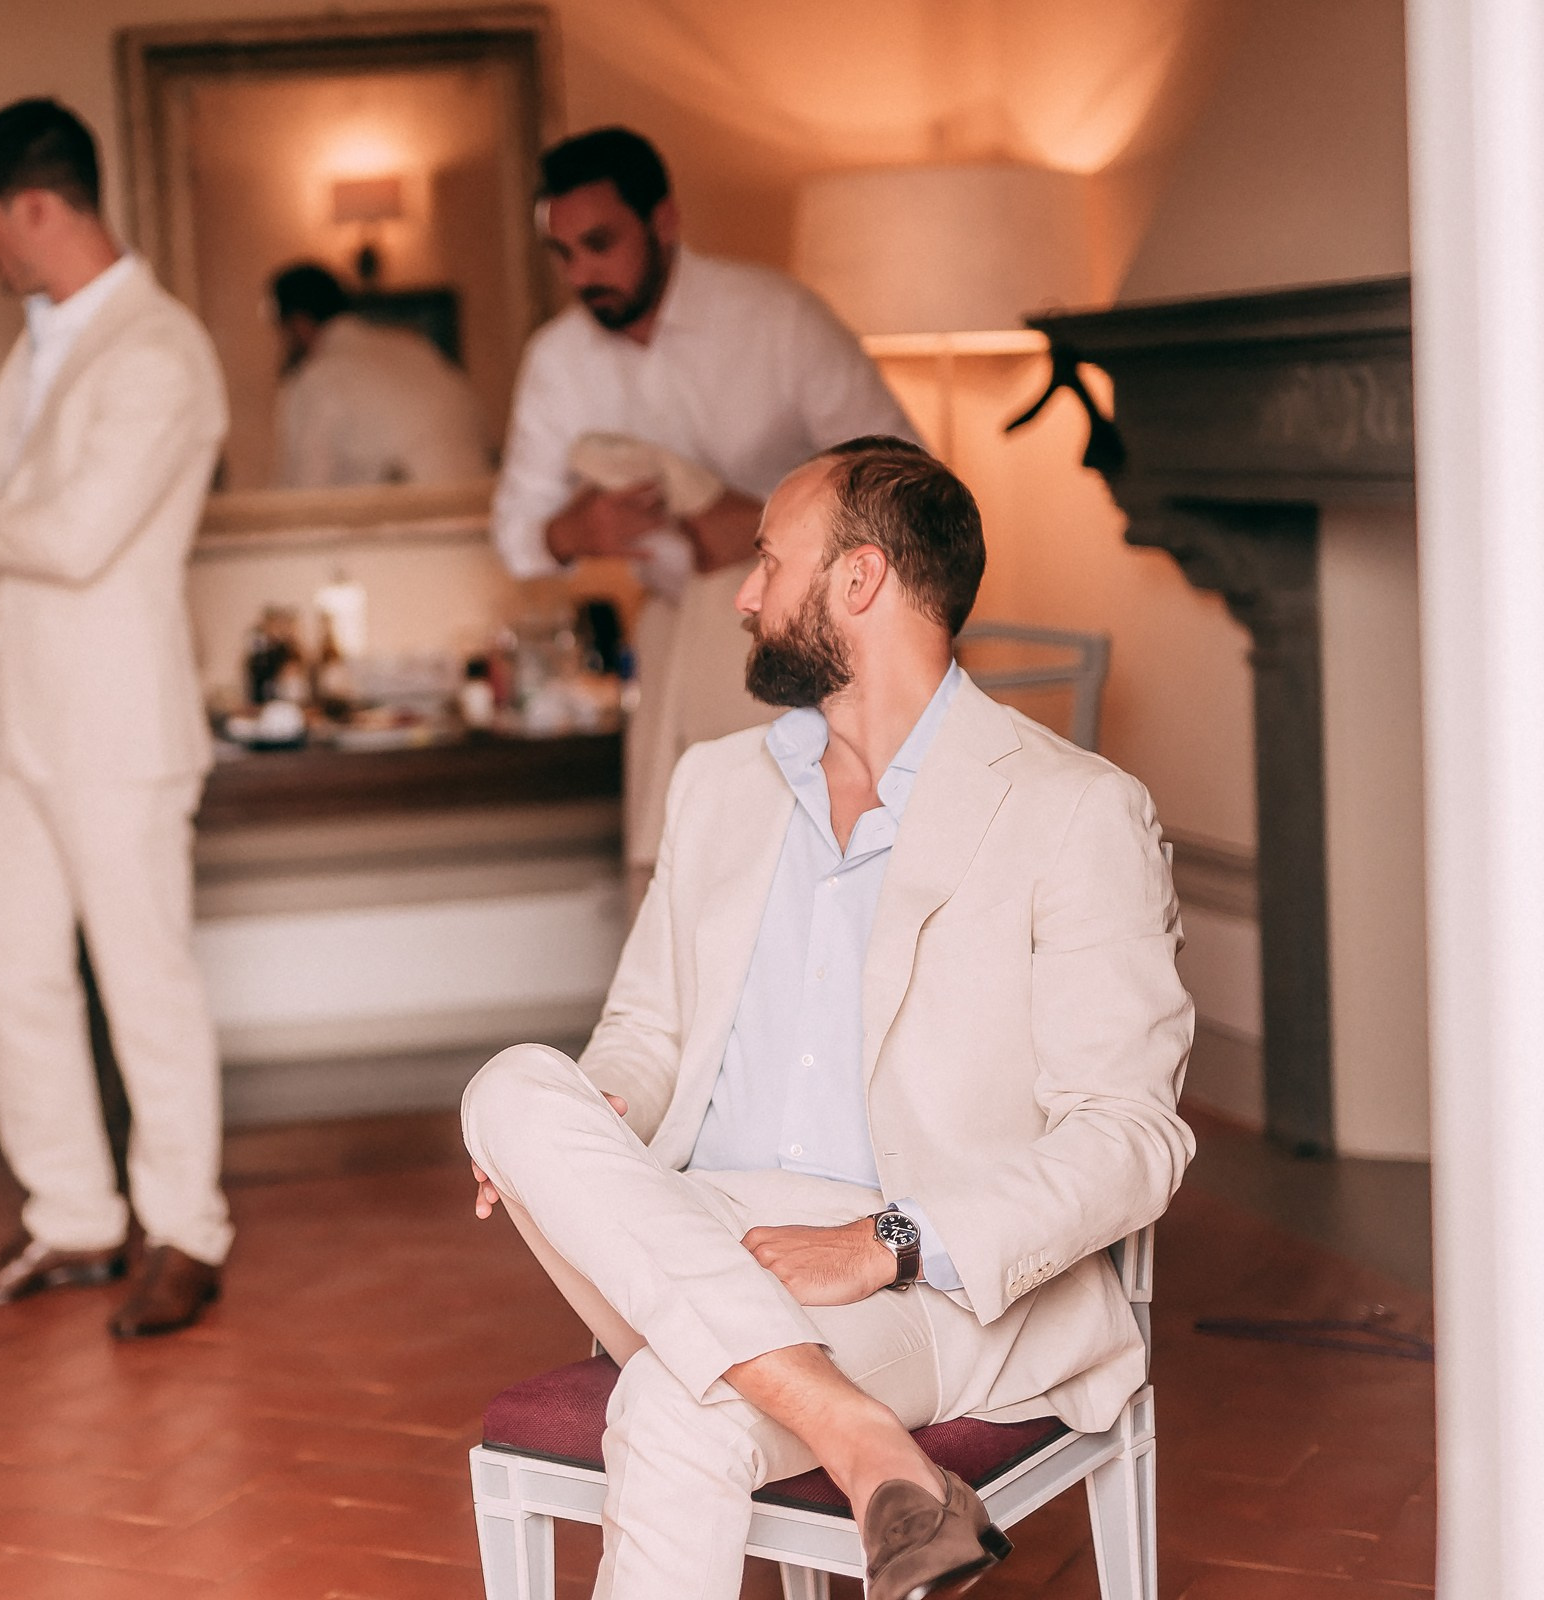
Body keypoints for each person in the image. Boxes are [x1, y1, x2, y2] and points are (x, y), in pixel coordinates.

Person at [463, 438, 1194, 1600]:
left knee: (676, 1402)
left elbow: (1130, 1137)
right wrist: (594, 1117)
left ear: (860, 581)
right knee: (507, 1089)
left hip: (926, 1278)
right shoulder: (716, 783)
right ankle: (862, 1442)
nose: (743, 596)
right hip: (699, 1233)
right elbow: (645, 1037)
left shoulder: (1073, 810)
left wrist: (882, 1242)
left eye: (766, 562)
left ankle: (847, 1425)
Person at [0, 99, 232, 1340]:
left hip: (116, 722)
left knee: (143, 981)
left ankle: (187, 1229)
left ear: (38, 208)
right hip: (13, 717)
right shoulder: (41, 340)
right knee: (9, 974)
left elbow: (73, 534)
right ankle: (73, 1214)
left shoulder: (159, 349)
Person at [491, 127, 917, 905]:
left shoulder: (776, 319)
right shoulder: (558, 360)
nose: (583, 274)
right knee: (694, 888)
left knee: (810, 883)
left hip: (818, 651)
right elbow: (518, 534)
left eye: (599, 244)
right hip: (674, 647)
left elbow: (908, 484)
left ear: (664, 221)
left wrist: (765, 528)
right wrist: (575, 534)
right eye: (565, 255)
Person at [269, 261, 490, 489]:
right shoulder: (417, 350)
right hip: (479, 506)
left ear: (298, 324)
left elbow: (305, 497)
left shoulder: (316, 378)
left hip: (412, 516)